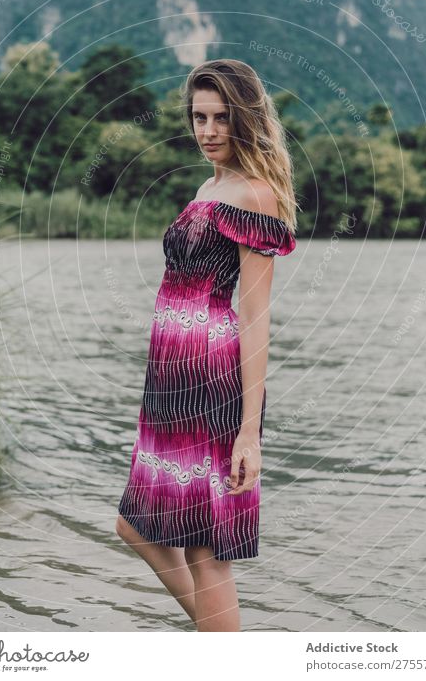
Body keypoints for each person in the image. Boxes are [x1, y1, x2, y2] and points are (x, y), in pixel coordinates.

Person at [116, 58, 298, 632]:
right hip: (170, 388)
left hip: (214, 386)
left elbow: (255, 316)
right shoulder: (207, 187)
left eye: (222, 118)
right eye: (199, 117)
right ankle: (229, 650)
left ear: (245, 119)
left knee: (204, 551)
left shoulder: (255, 195)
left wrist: (249, 431)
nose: (209, 131)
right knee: (136, 527)